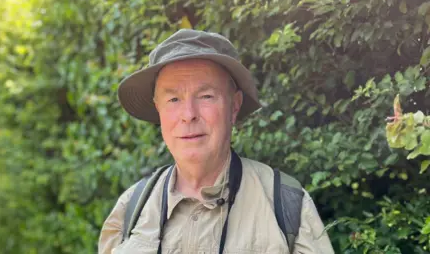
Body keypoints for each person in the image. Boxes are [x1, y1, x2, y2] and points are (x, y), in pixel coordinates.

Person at [98, 29, 334, 254]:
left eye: (206, 96)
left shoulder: (286, 204)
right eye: (173, 99)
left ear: (235, 106)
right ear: (158, 109)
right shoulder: (130, 208)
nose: (188, 114)